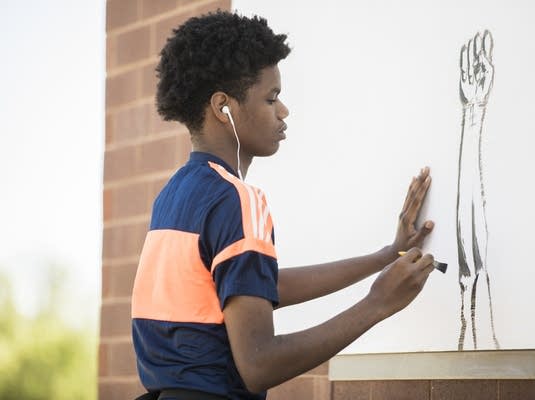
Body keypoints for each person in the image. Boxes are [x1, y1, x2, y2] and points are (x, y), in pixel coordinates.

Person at [131, 11, 435, 400]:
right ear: (224, 108)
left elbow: (256, 287)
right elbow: (259, 365)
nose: (283, 110)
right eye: (271, 97)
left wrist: (386, 255)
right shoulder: (239, 199)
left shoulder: (173, 195)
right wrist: (377, 304)